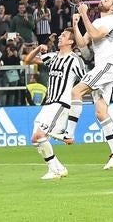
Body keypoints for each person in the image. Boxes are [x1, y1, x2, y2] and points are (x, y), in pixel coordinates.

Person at [67, 0, 113, 169]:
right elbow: (83, 43)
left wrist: (84, 14)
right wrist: (76, 24)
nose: (102, 1)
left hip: (107, 66)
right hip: (102, 67)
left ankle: (68, 133)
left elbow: (96, 35)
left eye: (107, 0)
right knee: (101, 112)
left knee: (76, 91)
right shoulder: (97, 21)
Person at [23, 29, 86, 179]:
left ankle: (57, 163)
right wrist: (38, 48)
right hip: (49, 103)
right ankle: (57, 167)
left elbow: (86, 81)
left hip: (61, 103)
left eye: (63, 36)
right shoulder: (53, 57)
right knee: (35, 139)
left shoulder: (75, 60)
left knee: (40, 135)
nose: (59, 37)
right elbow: (27, 60)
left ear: (71, 42)